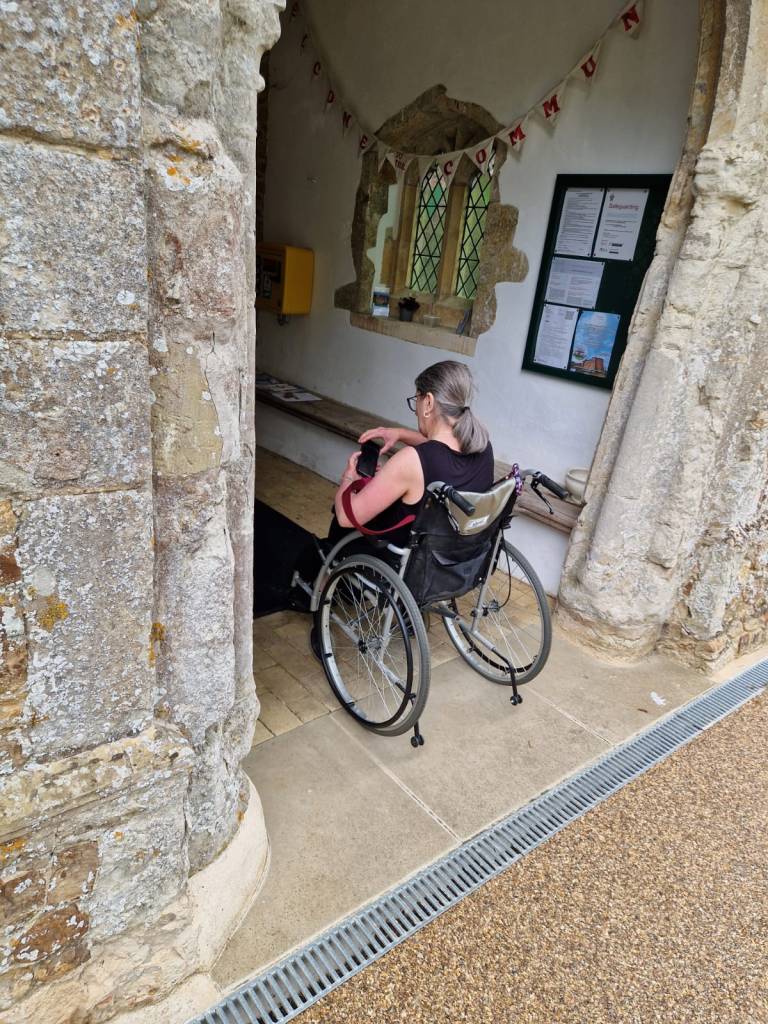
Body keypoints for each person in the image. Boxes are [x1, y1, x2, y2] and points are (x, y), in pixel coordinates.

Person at [332, 359, 494, 546]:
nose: (415, 410)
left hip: (398, 562)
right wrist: (400, 434)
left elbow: (346, 517)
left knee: (336, 524)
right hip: (456, 560)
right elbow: (442, 450)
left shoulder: (411, 461)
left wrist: (348, 478)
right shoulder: (483, 448)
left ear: (428, 402)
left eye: (416, 400)